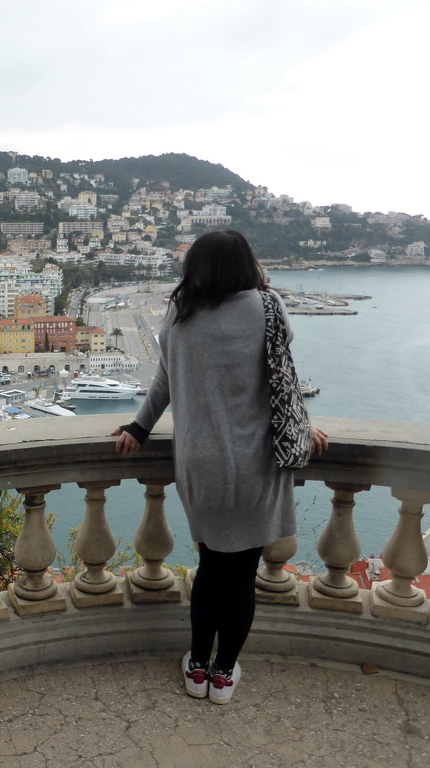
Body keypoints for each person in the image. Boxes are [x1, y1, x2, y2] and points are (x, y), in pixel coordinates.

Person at [112, 229, 328, 705]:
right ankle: (224, 673)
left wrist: (139, 426)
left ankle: (196, 666)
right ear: (246, 263)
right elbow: (281, 376)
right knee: (243, 571)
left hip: (200, 460)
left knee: (211, 564)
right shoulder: (268, 307)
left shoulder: (181, 310)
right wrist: (302, 426)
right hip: (257, 461)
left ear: (197, 267)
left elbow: (165, 378)